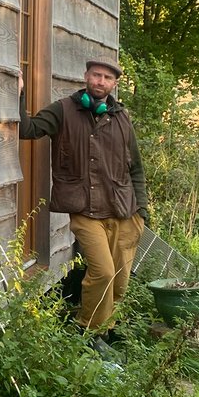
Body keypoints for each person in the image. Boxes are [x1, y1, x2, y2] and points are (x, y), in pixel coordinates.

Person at [16, 58, 148, 337]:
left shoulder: (121, 117)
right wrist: (18, 94)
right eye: (96, 75)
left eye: (107, 78)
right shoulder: (64, 110)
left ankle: (107, 329)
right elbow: (27, 129)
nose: (100, 82)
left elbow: (135, 166)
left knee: (120, 281)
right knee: (102, 272)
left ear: (114, 84)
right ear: (86, 76)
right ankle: (89, 331)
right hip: (85, 210)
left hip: (124, 210)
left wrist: (143, 211)